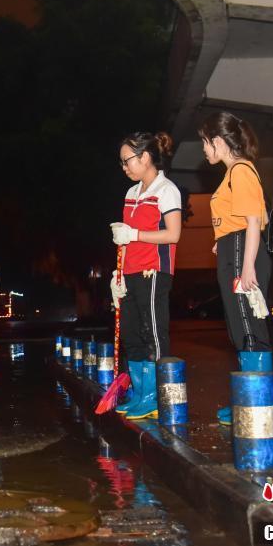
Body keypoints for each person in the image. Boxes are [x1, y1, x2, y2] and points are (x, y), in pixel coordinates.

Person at [198, 111, 272, 424]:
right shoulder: (233, 173)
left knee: (248, 326)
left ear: (218, 141)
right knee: (239, 327)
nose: (203, 149)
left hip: (243, 251)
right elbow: (239, 220)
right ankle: (248, 399)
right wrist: (223, 242)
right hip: (235, 247)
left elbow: (253, 222)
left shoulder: (240, 170)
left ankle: (256, 404)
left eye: (205, 142)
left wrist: (248, 266)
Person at [109, 132, 182, 419]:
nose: (124, 167)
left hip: (154, 271)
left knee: (153, 333)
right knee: (131, 332)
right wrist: (118, 273)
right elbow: (124, 241)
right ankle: (141, 393)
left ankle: (156, 396)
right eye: (122, 162)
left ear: (145, 157)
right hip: (131, 272)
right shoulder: (131, 194)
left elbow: (173, 234)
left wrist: (135, 234)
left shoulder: (167, 190)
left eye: (127, 160)